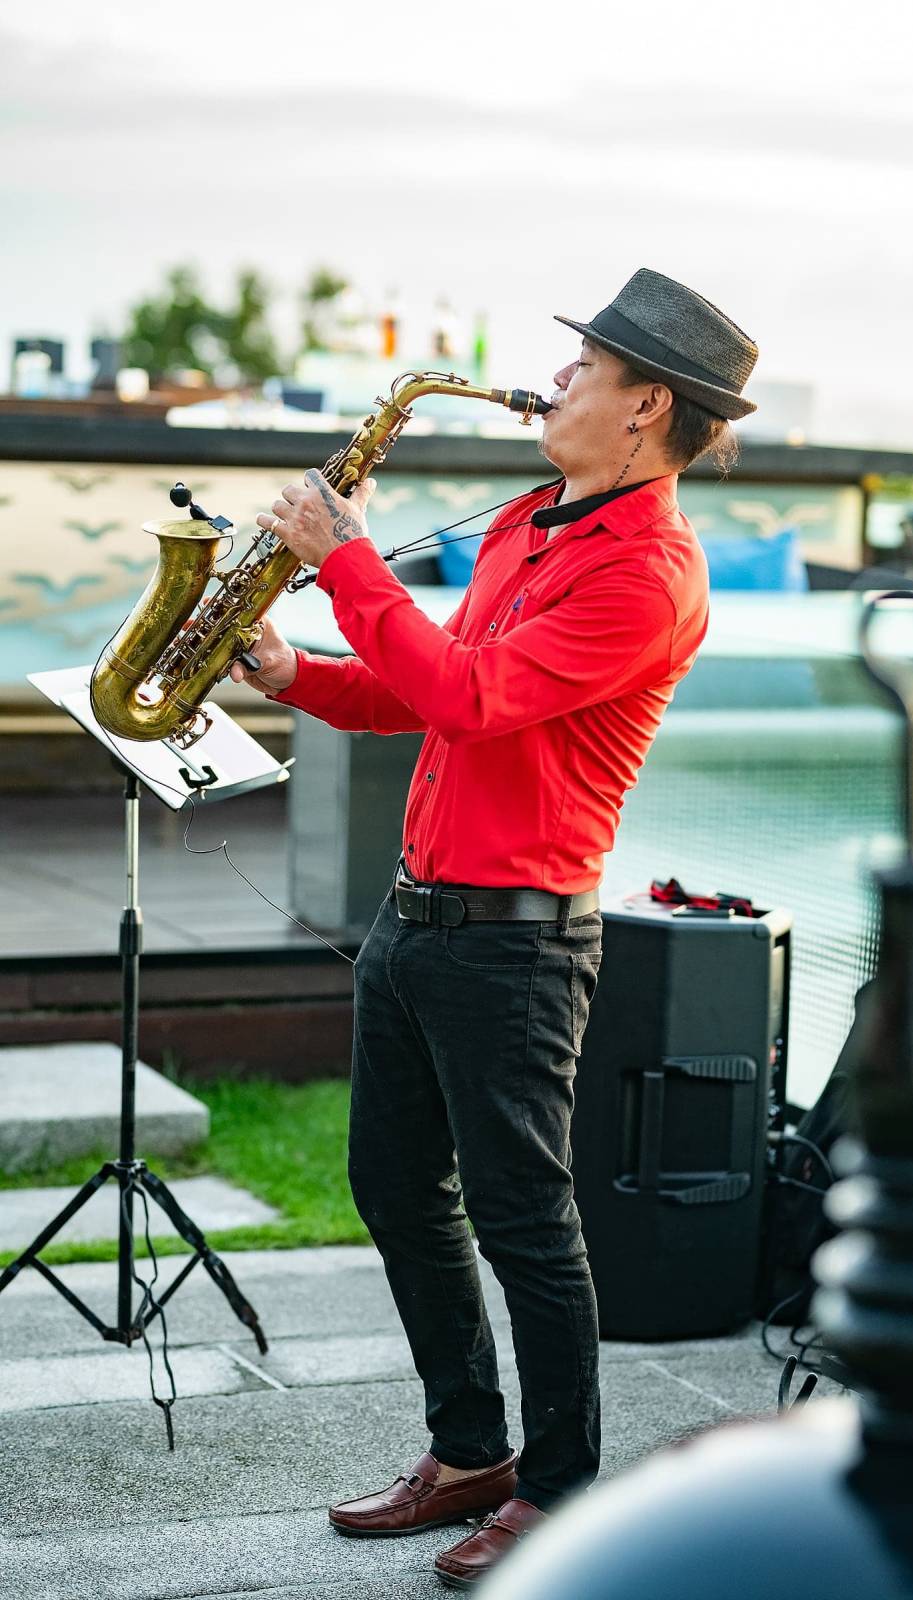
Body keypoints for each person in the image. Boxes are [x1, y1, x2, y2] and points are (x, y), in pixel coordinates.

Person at [233, 268, 758, 1590]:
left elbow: (470, 696)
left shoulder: (650, 574)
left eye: (581, 369)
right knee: (392, 1189)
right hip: (417, 923)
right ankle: (469, 1451)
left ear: (644, 408)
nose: (557, 382)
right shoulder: (534, 524)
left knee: (526, 1223)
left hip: (518, 944)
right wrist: (302, 676)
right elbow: (430, 692)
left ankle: (565, 1492)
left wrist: (343, 559)